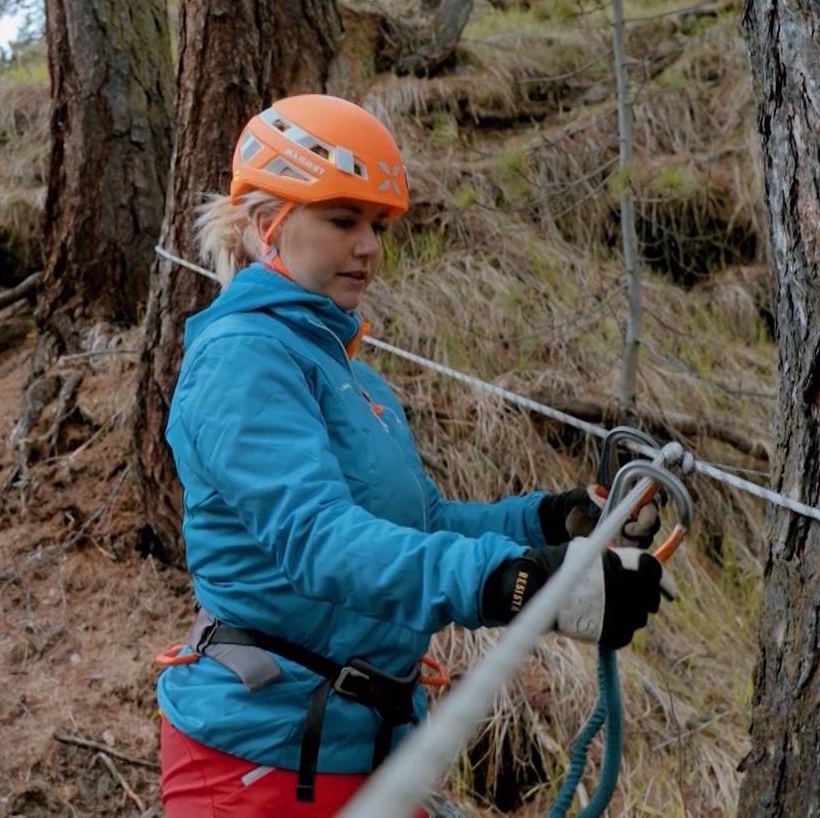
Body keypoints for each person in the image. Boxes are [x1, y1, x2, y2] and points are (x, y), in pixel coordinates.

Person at [156, 94, 667, 815]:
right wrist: (516, 586)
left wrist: (555, 523)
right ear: (268, 223)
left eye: (377, 225)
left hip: (371, 750)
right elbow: (320, 542)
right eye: (343, 220)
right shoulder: (242, 361)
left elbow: (424, 520)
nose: (368, 246)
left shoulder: (350, 376)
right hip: (261, 766)